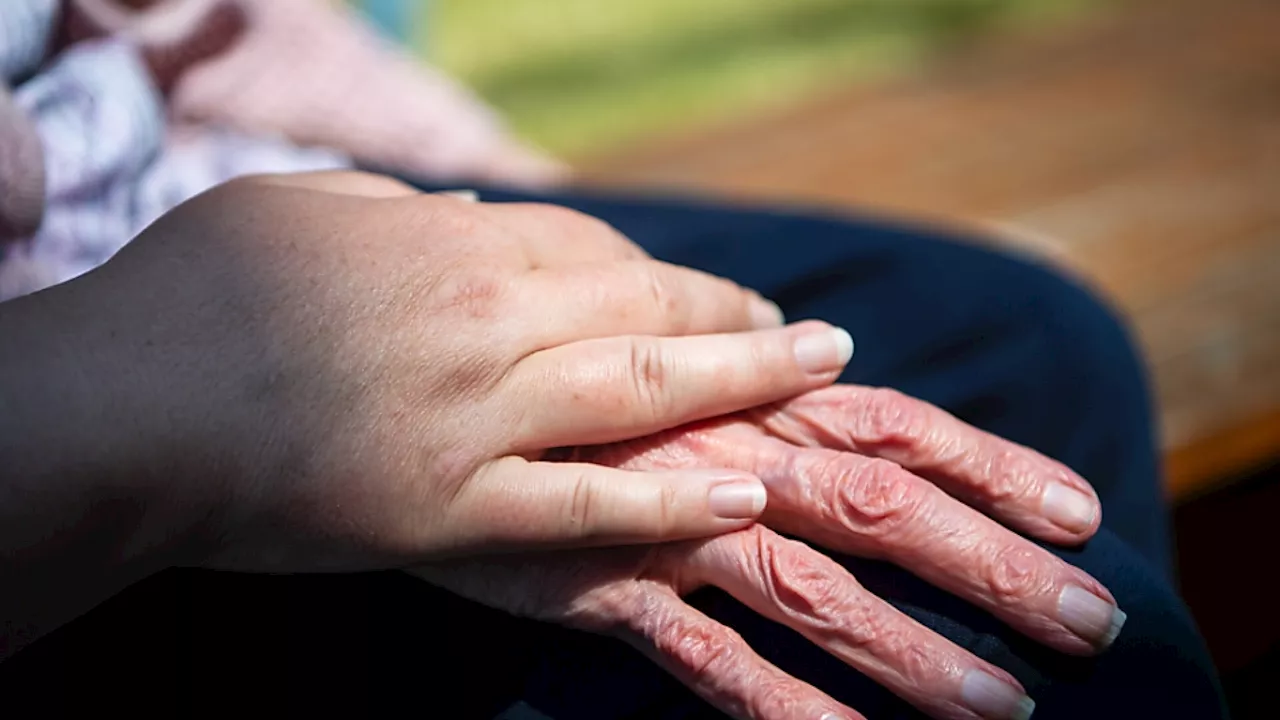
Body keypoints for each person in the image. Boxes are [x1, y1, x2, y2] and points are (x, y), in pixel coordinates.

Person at [0, 172, 1227, 719]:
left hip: (179, 182)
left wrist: (513, 224)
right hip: (79, 411)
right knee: (1084, 670)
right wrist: (150, 399)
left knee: (1023, 344)